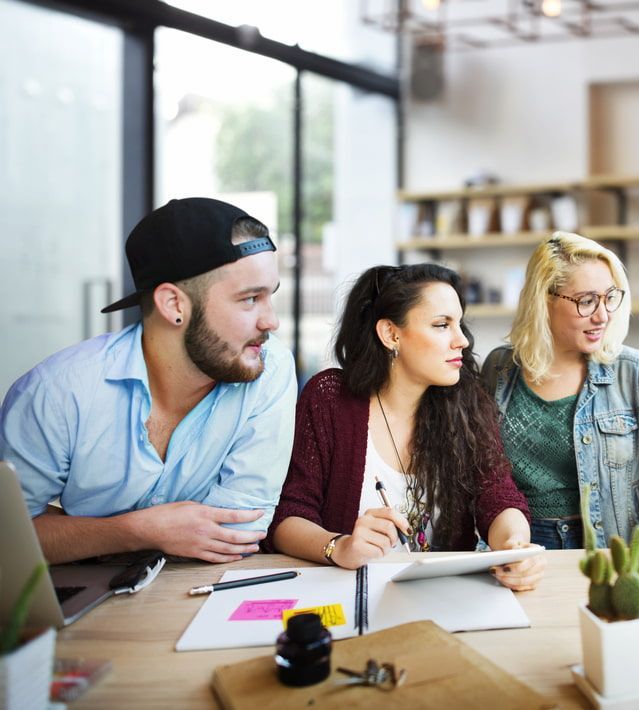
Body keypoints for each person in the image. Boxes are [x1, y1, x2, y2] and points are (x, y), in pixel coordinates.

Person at [0, 197, 297, 564]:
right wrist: (136, 531)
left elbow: (236, 533)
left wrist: (79, 534)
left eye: (271, 296)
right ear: (174, 305)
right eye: (250, 299)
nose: (271, 322)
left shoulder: (270, 369)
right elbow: (9, 538)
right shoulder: (56, 393)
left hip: (200, 593)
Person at [267, 263, 543, 591]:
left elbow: (497, 495)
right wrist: (339, 546)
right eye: (442, 325)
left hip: (444, 596)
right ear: (391, 334)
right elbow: (288, 515)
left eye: (459, 324)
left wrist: (514, 546)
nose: (462, 341)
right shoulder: (329, 399)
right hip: (348, 594)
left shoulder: (466, 401)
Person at [481, 232, 639, 550]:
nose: (603, 315)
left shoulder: (636, 373)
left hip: (609, 551)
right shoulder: (500, 368)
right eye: (586, 301)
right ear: (543, 300)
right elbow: (481, 465)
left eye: (609, 297)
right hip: (518, 546)